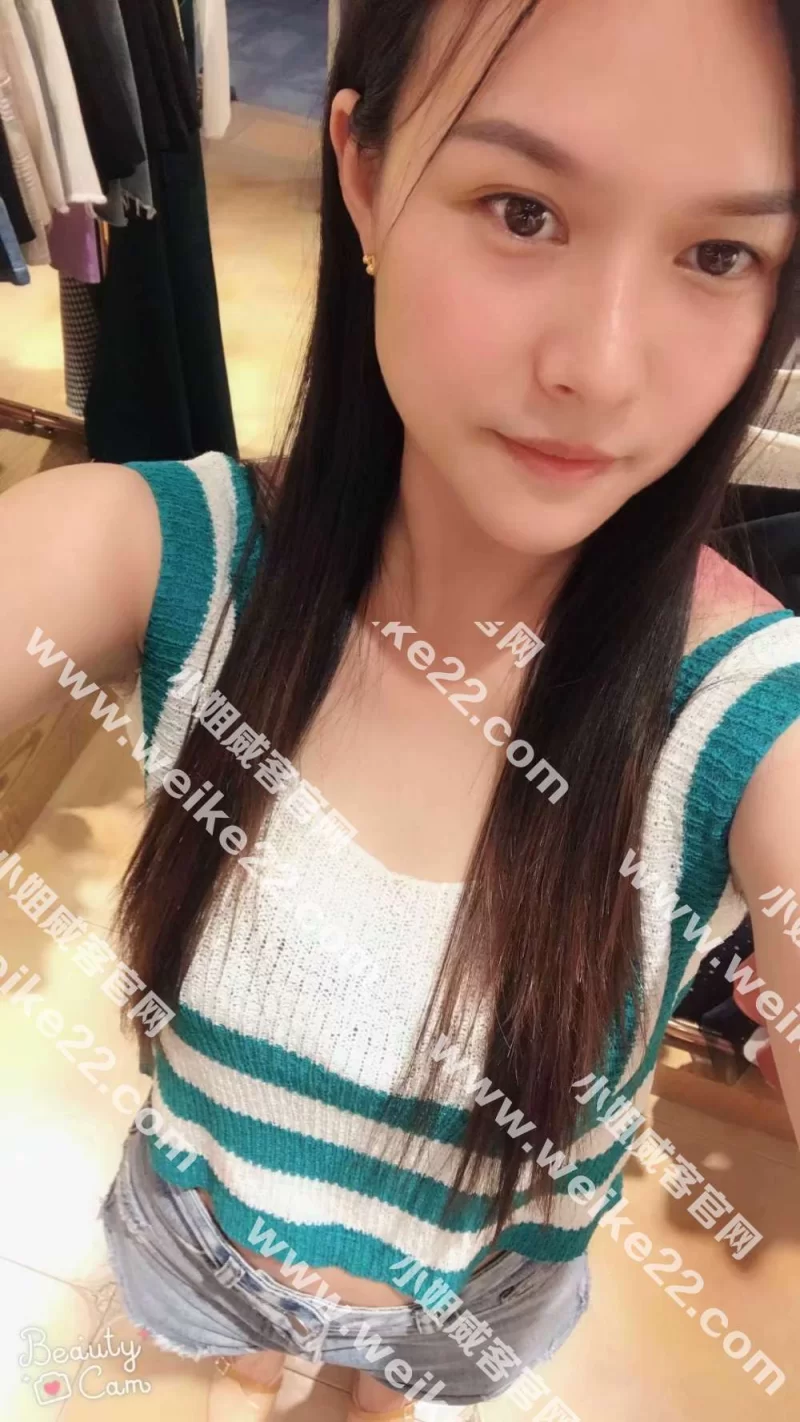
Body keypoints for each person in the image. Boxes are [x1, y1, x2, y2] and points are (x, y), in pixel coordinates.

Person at [1, 0, 799, 1418]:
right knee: (232, 1368)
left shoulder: (744, 711)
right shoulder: (170, 557)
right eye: (523, 211)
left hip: (481, 1288)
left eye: (719, 254)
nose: (601, 365)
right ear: (364, 176)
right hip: (202, 1233)